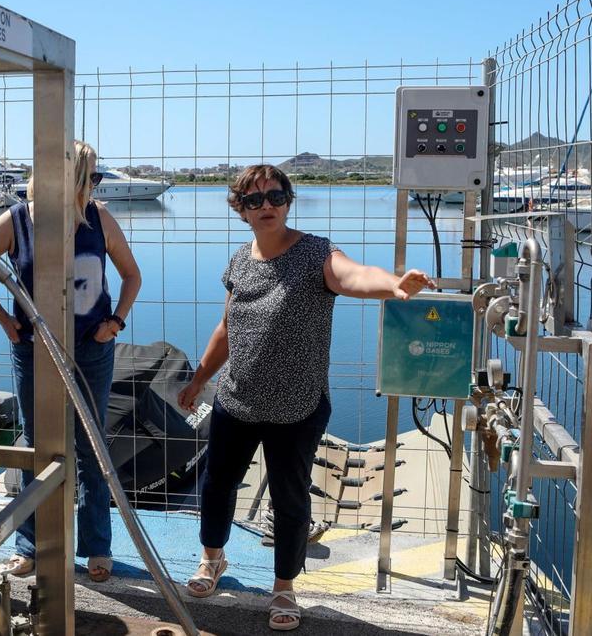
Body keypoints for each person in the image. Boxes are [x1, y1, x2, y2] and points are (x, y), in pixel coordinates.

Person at [176, 164, 433, 631]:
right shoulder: (238, 262)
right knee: (217, 485)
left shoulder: (315, 252)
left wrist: (393, 285)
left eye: (275, 196)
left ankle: (284, 588)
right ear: (241, 210)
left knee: (291, 499)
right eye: (254, 201)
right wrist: (197, 382)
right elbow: (226, 328)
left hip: (298, 406)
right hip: (237, 399)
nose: (266, 206)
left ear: (288, 200)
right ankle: (212, 559)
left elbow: (353, 275)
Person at [0, 140, 141, 582]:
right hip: (35, 349)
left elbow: (132, 275)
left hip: (92, 350)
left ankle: (97, 549)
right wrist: (3, 320)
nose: (96, 185)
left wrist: (116, 322)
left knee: (92, 449)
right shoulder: (17, 221)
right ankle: (32, 546)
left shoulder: (99, 219)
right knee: (38, 448)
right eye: (92, 177)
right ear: (69, 178)